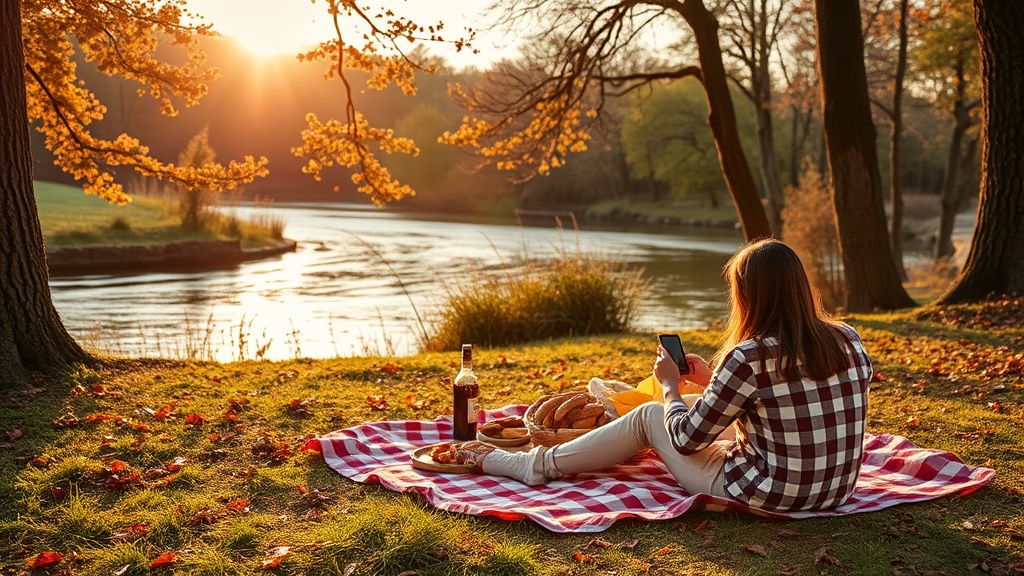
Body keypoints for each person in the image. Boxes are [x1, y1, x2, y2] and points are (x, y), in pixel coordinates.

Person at [447, 239, 874, 513]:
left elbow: (687, 440)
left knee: (651, 417)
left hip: (771, 494)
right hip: (836, 490)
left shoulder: (750, 356)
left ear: (748, 296)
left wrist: (669, 385)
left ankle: (532, 465)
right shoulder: (849, 339)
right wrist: (712, 381)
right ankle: (550, 458)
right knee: (695, 405)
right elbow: (794, 396)